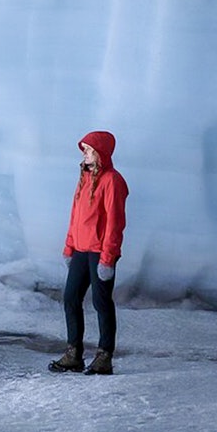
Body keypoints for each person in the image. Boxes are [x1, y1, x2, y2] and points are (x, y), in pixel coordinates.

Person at [49, 130, 129, 375]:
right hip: (81, 250)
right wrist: (69, 246)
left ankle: (105, 356)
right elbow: (76, 216)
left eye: (89, 149)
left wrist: (107, 258)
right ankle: (74, 353)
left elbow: (115, 222)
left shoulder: (113, 181)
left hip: (100, 252)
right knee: (71, 298)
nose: (85, 153)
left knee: (101, 301)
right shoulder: (84, 178)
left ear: (100, 153)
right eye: (84, 149)